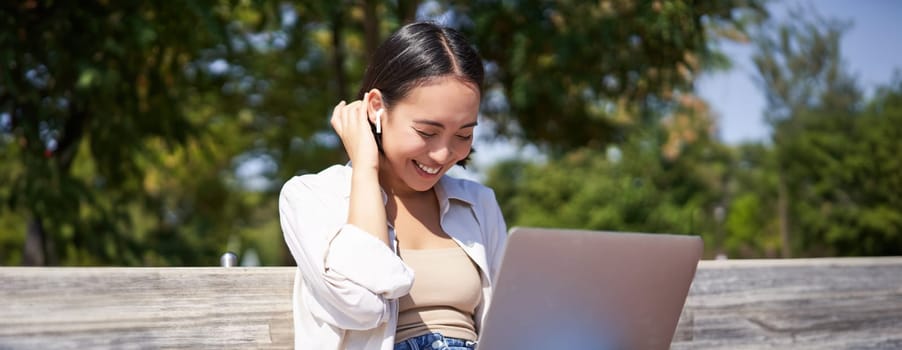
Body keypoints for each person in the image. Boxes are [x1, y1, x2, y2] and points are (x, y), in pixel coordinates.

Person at [278, 22, 508, 350]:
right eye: (427, 132)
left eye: (463, 135)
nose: (444, 153)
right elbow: (362, 305)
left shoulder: (478, 204)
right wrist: (365, 168)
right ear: (376, 108)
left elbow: (506, 327)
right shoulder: (311, 197)